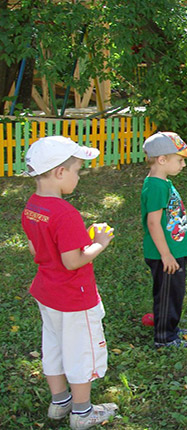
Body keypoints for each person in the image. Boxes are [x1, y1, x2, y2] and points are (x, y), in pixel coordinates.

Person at [21, 136, 118, 429]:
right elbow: (73, 261)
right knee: (81, 351)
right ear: (60, 172)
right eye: (77, 170)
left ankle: (59, 402)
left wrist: (76, 241)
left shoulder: (32, 206)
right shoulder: (66, 213)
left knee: (54, 346)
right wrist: (99, 243)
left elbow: (37, 250)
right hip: (74, 297)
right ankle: (82, 412)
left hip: (47, 293)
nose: (78, 176)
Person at [141, 132, 187, 348]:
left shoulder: (163, 182)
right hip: (164, 255)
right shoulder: (156, 186)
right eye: (180, 159)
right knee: (167, 294)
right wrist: (166, 254)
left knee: (175, 292)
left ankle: (170, 327)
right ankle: (164, 338)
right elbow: (153, 223)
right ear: (162, 160)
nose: (183, 165)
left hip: (173, 251)